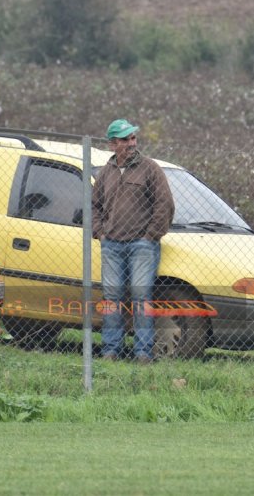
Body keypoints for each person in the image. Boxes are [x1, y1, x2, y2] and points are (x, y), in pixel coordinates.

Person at [92, 118, 175, 363]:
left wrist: (150, 236)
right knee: (111, 299)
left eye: (133, 138)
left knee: (141, 298)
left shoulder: (150, 169)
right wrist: (100, 232)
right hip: (112, 246)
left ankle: (142, 353)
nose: (131, 143)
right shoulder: (105, 173)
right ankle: (110, 351)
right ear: (112, 144)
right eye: (125, 139)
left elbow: (165, 204)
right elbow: (94, 205)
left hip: (142, 246)